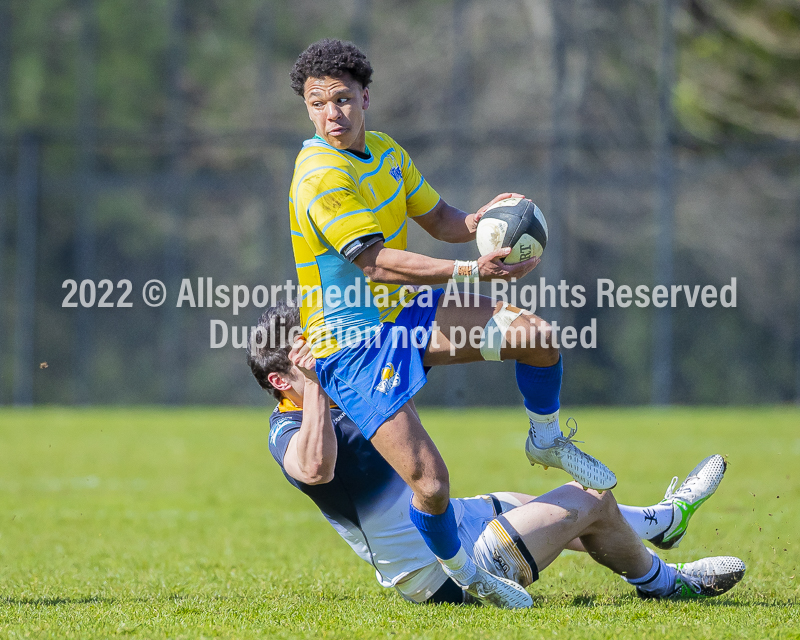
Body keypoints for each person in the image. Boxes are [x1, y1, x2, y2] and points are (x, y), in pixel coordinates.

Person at [289, 37, 613, 606]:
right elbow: (377, 263)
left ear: (365, 97)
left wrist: (483, 220)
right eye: (317, 104)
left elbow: (439, 219)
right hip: (350, 345)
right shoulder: (319, 173)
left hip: (404, 317)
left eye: (341, 99)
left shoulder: (386, 151)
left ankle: (546, 438)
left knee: (536, 336)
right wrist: (472, 272)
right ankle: (467, 572)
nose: (330, 114)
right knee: (432, 486)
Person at [246, 303, 746, 606]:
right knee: (584, 502)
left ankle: (666, 521)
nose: (328, 351)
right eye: (311, 349)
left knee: (594, 500)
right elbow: (315, 469)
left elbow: (404, 387)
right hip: (437, 576)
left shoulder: (348, 386)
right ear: (280, 380)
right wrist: (313, 386)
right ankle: (670, 584)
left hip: (459, 521)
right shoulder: (288, 428)